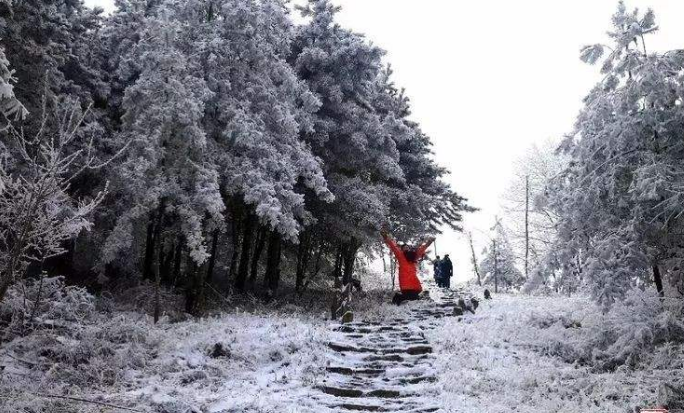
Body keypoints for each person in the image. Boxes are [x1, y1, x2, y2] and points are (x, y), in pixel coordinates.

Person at [382, 230, 435, 305]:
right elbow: (393, 246)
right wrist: (386, 237)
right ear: (402, 249)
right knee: (410, 297)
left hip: (414, 281)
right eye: (405, 247)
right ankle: (396, 299)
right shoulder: (400, 255)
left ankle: (398, 299)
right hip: (405, 282)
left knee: (414, 297)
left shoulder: (414, 257)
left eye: (408, 247)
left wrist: (429, 242)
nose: (407, 248)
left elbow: (421, 249)